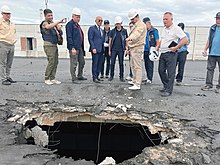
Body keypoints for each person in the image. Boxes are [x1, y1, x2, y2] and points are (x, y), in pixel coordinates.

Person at [157, 12, 188, 97]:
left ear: (171, 19)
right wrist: (157, 47)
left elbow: (185, 39)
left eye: (166, 19)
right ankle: (166, 85)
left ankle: (169, 90)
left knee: (171, 73)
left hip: (171, 53)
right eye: (163, 19)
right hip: (163, 53)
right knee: (160, 70)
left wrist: (176, 47)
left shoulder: (176, 28)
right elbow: (161, 40)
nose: (164, 21)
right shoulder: (164, 29)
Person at [40, 9, 64, 85]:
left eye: (51, 15)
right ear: (45, 16)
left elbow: (59, 32)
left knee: (55, 62)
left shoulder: (53, 24)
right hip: (48, 45)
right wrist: (58, 22)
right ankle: (47, 78)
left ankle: (52, 78)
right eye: (49, 15)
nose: (50, 17)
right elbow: (47, 27)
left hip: (54, 44)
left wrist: (59, 28)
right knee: (51, 61)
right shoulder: (44, 23)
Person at [126, 9, 147, 90]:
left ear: (137, 17)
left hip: (137, 47)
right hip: (133, 47)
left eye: (132, 19)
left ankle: (137, 84)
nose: (131, 20)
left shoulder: (141, 25)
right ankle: (134, 80)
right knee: (133, 65)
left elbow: (136, 34)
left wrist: (129, 39)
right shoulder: (135, 25)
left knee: (137, 66)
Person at [66, 7, 87, 84]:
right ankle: (74, 78)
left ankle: (80, 75)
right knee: (74, 63)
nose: (78, 18)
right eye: (77, 17)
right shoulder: (70, 25)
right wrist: (72, 48)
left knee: (82, 62)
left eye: (79, 17)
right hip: (74, 48)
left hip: (80, 47)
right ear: (73, 16)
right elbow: (69, 37)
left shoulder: (77, 25)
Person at [201, 12, 220, 93]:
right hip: (212, 53)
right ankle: (208, 84)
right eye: (217, 18)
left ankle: (219, 87)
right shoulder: (212, 28)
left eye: (219, 19)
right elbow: (209, 39)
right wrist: (205, 49)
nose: (218, 20)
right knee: (210, 69)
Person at [0, 5, 17, 85]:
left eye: (9, 13)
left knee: (9, 63)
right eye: (6, 13)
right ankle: (3, 79)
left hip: (11, 44)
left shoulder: (12, 24)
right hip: (3, 44)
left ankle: (7, 76)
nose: (8, 15)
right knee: (2, 63)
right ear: (2, 14)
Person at [108, 16, 128, 82]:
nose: (118, 25)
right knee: (112, 63)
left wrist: (126, 49)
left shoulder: (124, 31)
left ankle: (121, 76)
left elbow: (126, 40)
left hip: (121, 50)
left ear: (121, 23)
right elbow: (110, 41)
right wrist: (109, 50)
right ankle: (111, 76)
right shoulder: (112, 31)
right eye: (117, 24)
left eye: (119, 23)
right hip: (113, 49)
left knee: (121, 63)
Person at [142, 17, 159, 84]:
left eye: (145, 24)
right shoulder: (144, 31)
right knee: (146, 64)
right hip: (145, 50)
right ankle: (147, 77)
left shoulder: (154, 31)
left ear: (148, 23)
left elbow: (157, 41)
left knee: (150, 65)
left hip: (151, 50)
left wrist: (155, 50)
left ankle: (150, 78)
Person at [88, 16, 104, 83]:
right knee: (95, 63)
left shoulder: (101, 30)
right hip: (95, 49)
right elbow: (90, 39)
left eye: (101, 21)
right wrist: (93, 47)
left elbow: (102, 40)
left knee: (100, 63)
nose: (100, 22)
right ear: (96, 21)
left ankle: (97, 76)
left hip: (101, 50)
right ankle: (94, 77)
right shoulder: (92, 28)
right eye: (99, 20)